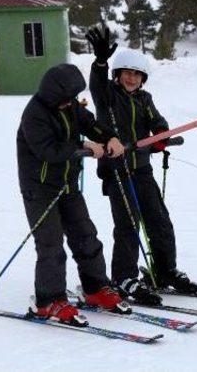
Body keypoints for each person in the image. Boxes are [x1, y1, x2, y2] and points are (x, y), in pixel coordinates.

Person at [85, 26, 197, 306]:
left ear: (143, 79)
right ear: (118, 75)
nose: (131, 78)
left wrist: (161, 138)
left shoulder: (144, 99)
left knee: (159, 219)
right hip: (117, 169)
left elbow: (158, 124)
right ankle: (124, 277)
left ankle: (164, 270)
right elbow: (97, 84)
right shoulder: (108, 95)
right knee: (127, 223)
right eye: (126, 72)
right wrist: (100, 63)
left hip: (141, 168)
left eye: (137, 74)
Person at [16, 63, 129, 324]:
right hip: (40, 188)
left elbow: (91, 124)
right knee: (51, 244)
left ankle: (95, 289)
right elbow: (48, 151)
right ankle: (48, 300)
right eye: (68, 99)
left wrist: (109, 137)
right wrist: (83, 147)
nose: (73, 103)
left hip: (68, 184)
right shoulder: (34, 114)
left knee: (85, 235)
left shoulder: (70, 106)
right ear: (55, 95)